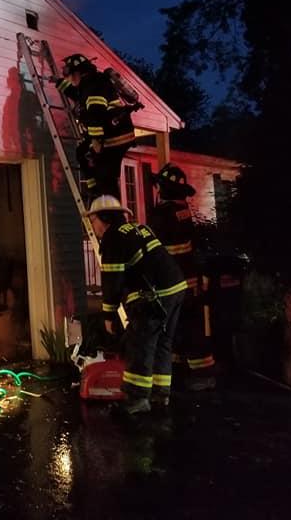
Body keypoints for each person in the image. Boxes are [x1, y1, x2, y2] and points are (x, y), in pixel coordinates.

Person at [89, 194, 187, 414]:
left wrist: (108, 316)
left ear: (103, 218)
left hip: (154, 295)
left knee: (140, 344)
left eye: (92, 220)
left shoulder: (113, 238)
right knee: (162, 341)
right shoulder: (137, 228)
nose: (92, 226)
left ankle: (136, 399)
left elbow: (112, 281)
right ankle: (160, 394)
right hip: (176, 288)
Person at [149, 164, 217, 391]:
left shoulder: (161, 214)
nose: (157, 189)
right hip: (188, 281)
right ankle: (184, 369)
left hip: (173, 284)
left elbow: (153, 249)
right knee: (185, 325)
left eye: (159, 185)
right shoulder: (183, 210)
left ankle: (200, 373)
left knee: (184, 327)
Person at [55, 54, 137, 201]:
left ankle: (113, 213)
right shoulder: (91, 82)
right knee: (82, 152)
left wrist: (96, 140)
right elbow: (78, 95)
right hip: (116, 134)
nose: (70, 79)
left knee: (106, 176)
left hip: (113, 137)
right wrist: (59, 83)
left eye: (70, 75)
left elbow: (95, 113)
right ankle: (95, 190)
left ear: (77, 72)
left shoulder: (93, 85)